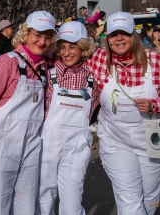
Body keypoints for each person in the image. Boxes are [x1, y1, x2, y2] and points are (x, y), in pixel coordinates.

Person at [0, 10, 57, 215]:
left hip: (30, 146)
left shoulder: (45, 68)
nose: (42, 41)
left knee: (26, 205)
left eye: (47, 36)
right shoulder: (8, 62)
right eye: (37, 34)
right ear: (26, 33)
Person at [88, 11, 160, 215]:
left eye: (124, 33)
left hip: (154, 137)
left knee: (150, 199)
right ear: (108, 37)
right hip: (115, 139)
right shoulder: (98, 59)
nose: (119, 38)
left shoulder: (157, 61)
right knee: (130, 199)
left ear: (134, 34)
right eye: (114, 34)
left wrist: (155, 104)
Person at [35, 21, 99, 215]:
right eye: (62, 47)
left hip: (77, 146)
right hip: (48, 143)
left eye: (72, 47)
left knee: (72, 203)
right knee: (43, 198)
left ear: (83, 47)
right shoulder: (49, 73)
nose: (67, 52)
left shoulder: (93, 76)